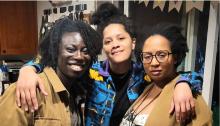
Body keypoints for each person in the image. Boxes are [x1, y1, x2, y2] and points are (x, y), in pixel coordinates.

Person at [15, 3, 202, 126]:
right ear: (102, 47)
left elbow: (180, 75)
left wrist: (183, 84)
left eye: (121, 38)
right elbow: (53, 63)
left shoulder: (144, 74)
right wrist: (29, 69)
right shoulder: (92, 73)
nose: (115, 45)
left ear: (133, 42)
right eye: (108, 41)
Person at [0, 18, 102, 126]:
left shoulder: (76, 91)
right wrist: (27, 69)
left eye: (85, 51)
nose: (79, 56)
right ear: (56, 51)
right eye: (70, 50)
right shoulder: (27, 90)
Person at [120, 23, 212, 126]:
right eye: (147, 56)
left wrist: (183, 83)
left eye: (162, 55)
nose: (154, 63)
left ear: (175, 57)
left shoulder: (188, 97)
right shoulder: (146, 86)